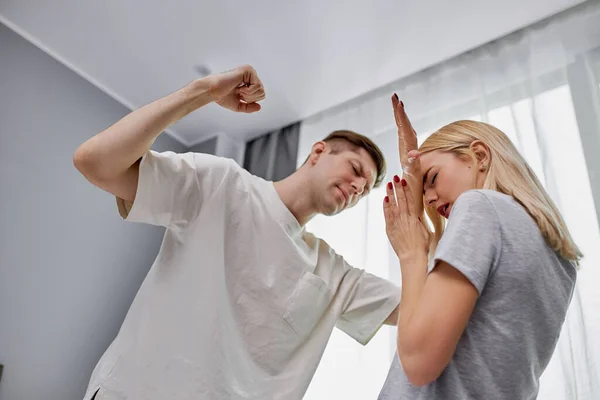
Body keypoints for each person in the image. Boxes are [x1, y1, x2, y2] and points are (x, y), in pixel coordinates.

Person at [73, 65, 401, 400]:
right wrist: (201, 92)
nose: (359, 186)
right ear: (318, 152)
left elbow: (418, 309)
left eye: (365, 189)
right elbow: (95, 162)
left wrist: (422, 238)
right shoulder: (223, 185)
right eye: (356, 169)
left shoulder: (332, 272)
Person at [377, 95, 580, 399]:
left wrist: (411, 255)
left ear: (480, 156)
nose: (428, 199)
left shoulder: (481, 206)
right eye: (424, 191)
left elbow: (418, 363)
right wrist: (414, 178)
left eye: (431, 179)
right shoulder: (561, 263)